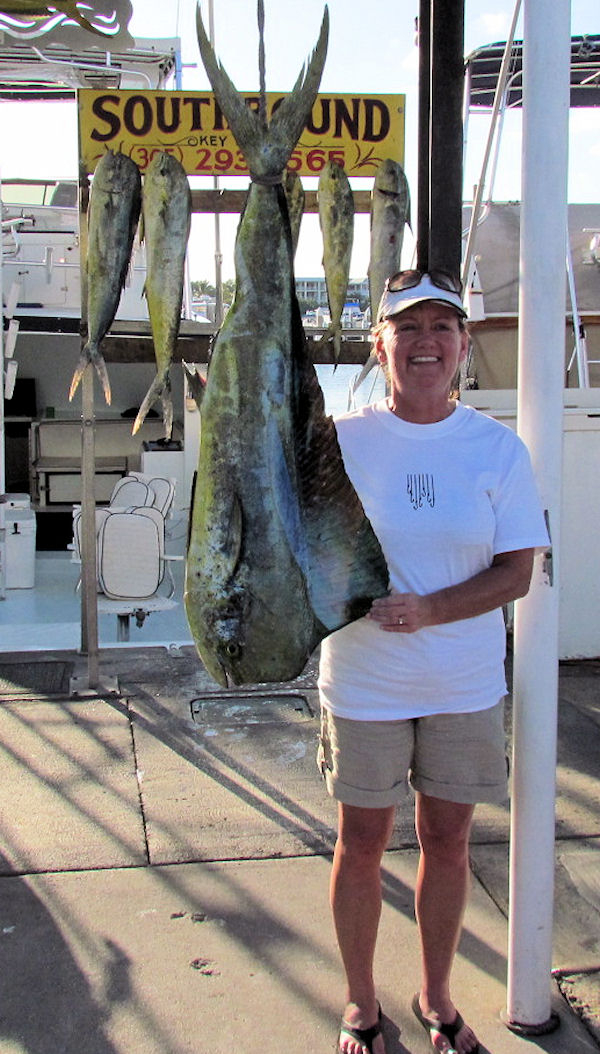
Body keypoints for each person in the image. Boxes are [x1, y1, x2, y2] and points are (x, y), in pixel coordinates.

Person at [317, 270, 550, 1054]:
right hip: (364, 683)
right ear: (379, 345)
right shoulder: (338, 441)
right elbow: (305, 546)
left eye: (441, 327)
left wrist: (432, 610)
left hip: (463, 685)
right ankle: (360, 1003)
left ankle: (437, 996)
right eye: (407, 327)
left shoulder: (497, 448)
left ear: (463, 345)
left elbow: (517, 572)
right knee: (361, 844)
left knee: (448, 844)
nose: (425, 342)